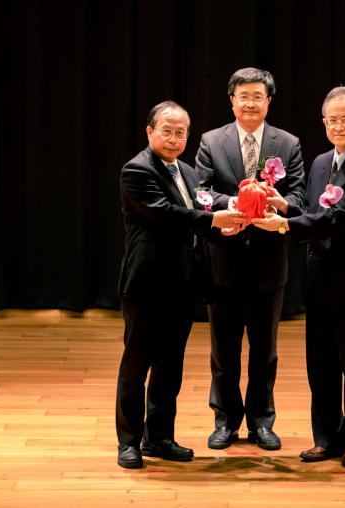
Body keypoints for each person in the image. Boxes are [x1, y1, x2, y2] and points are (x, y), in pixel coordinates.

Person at [251, 86, 345, 467]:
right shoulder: (322, 162)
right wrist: (284, 206)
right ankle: (325, 439)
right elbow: (313, 212)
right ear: (323, 123)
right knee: (321, 366)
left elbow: (338, 219)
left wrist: (284, 226)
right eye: (332, 120)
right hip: (321, 281)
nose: (338, 126)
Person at [116, 101, 244, 469]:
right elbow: (166, 214)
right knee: (136, 366)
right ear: (150, 132)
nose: (174, 139)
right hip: (146, 283)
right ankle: (129, 442)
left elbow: (203, 209)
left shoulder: (187, 171)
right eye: (167, 131)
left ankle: (159, 437)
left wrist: (230, 220)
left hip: (183, 284)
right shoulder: (137, 170)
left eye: (181, 133)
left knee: (170, 367)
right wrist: (215, 220)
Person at [195, 67, 306, 450]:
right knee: (223, 348)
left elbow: (300, 196)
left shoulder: (288, 143)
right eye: (243, 96)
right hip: (224, 258)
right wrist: (236, 202)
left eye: (258, 96)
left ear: (268, 101)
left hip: (268, 260)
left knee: (265, 349)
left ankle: (261, 421)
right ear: (232, 100)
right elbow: (200, 192)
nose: (250, 103)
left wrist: (279, 204)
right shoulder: (211, 141)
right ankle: (225, 421)